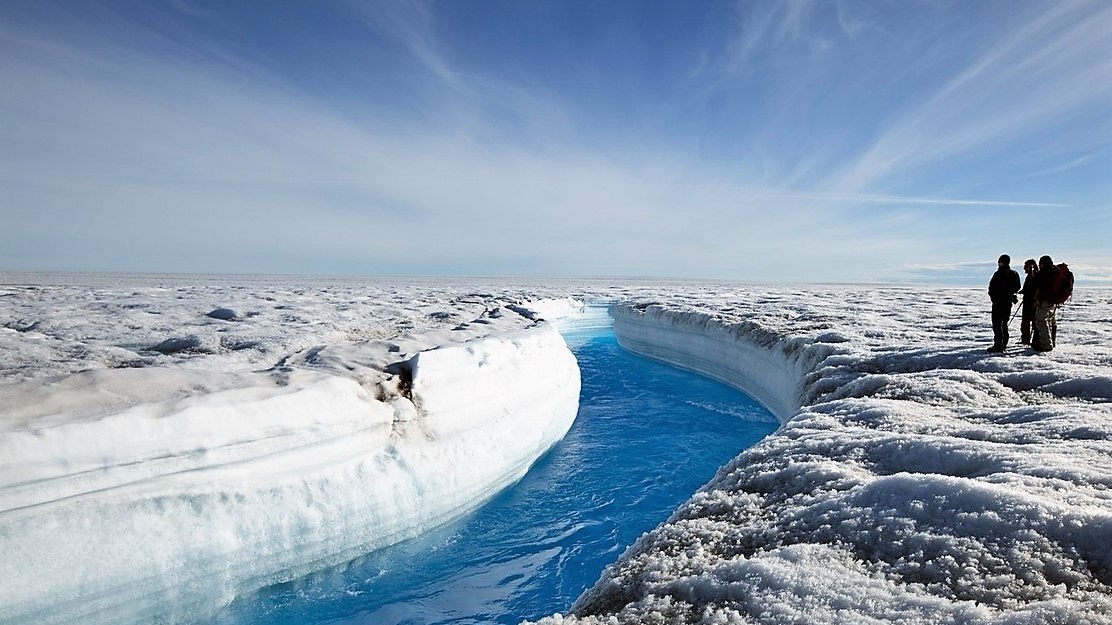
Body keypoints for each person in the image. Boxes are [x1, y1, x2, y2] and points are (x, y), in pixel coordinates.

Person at [987, 254, 1021, 352]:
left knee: (997, 324)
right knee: (1004, 323)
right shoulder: (1013, 274)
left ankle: (999, 345)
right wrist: (1009, 293)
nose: (998, 263)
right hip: (1006, 302)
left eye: (1000, 262)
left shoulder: (998, 274)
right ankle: (1003, 343)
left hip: (999, 302)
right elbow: (1017, 286)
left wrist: (995, 297)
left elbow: (991, 288)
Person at [1032, 255, 1058, 351]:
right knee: (1051, 321)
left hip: (1044, 301)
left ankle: (1046, 345)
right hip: (1053, 301)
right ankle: (1052, 342)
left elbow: (1037, 283)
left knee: (1041, 321)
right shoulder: (1055, 271)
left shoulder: (1043, 273)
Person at [1018, 259, 1038, 345]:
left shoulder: (1033, 276)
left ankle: (1027, 340)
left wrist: (1025, 292)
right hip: (1031, 301)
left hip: (1030, 302)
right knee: (1031, 322)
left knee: (1028, 322)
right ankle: (1029, 340)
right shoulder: (1034, 275)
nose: (1024, 268)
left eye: (1025, 266)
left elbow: (1031, 289)